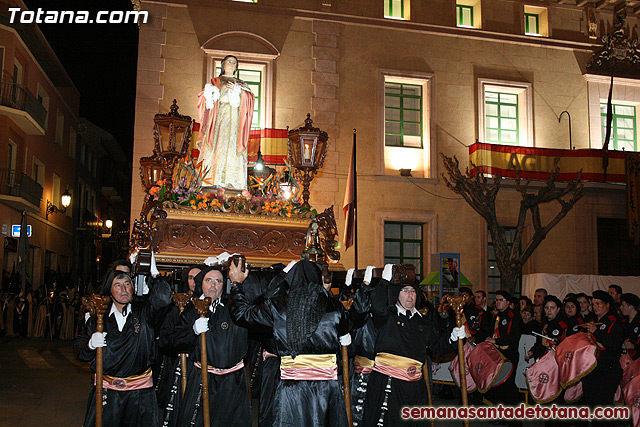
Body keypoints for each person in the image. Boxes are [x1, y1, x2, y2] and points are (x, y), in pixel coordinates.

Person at [231, 259, 351, 427]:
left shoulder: (277, 306)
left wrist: (236, 284)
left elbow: (242, 314)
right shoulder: (335, 307)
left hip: (293, 389)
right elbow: (346, 334)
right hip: (326, 387)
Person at [362, 265, 465, 427]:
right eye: (405, 290)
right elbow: (376, 307)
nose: (410, 295)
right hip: (389, 383)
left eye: (413, 291)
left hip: (415, 386)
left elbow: (437, 346)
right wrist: (383, 283)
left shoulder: (423, 321)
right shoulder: (386, 317)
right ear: (396, 294)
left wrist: (453, 337)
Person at [76, 270, 172, 427]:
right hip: (108, 393)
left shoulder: (144, 314)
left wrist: (154, 274)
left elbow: (163, 299)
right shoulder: (98, 320)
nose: (123, 289)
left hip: (140, 394)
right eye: (118, 285)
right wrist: (90, 345)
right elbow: (80, 353)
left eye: (127, 284)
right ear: (110, 290)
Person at [171, 265, 251, 427]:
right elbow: (171, 342)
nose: (213, 285)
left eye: (218, 281)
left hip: (232, 381)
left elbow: (256, 296)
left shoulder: (235, 308)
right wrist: (193, 331)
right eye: (209, 280)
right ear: (201, 284)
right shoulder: (192, 310)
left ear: (224, 285)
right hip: (202, 378)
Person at [197, 55, 255, 190]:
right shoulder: (215, 81)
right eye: (229, 62)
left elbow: (250, 99)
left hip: (235, 120)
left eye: (234, 62)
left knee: (233, 147)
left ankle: (233, 182)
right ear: (223, 65)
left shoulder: (241, 83)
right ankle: (212, 180)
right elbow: (203, 99)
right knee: (218, 145)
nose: (232, 64)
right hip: (219, 119)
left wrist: (238, 91)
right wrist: (210, 93)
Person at [158, 264, 203, 424]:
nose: (195, 281)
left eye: (199, 277)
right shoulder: (178, 306)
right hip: (184, 365)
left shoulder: (211, 305)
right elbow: (165, 339)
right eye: (191, 277)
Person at [582, 290, 624, 424]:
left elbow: (614, 345)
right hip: (591, 369)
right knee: (592, 405)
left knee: (603, 407)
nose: (595, 307)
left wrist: (597, 332)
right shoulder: (591, 322)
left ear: (607, 305)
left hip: (607, 370)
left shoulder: (614, 323)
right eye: (593, 304)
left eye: (598, 304)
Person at [485, 290, 523, 424]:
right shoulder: (497, 317)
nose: (498, 302)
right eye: (496, 300)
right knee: (497, 385)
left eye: (500, 300)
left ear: (508, 302)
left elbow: (514, 337)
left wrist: (496, 341)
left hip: (508, 354)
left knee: (508, 386)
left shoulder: (514, 316)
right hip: (497, 355)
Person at [526, 296, 567, 361]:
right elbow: (539, 342)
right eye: (546, 308)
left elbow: (566, 343)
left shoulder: (562, 325)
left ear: (558, 309)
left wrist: (557, 342)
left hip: (555, 359)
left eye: (552, 308)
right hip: (543, 358)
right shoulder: (543, 324)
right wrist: (532, 351)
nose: (549, 310)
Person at [621, 293, 640, 360]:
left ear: (631, 306)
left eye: (623, 305)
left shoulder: (638, 322)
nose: (621, 308)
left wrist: (633, 346)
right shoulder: (624, 322)